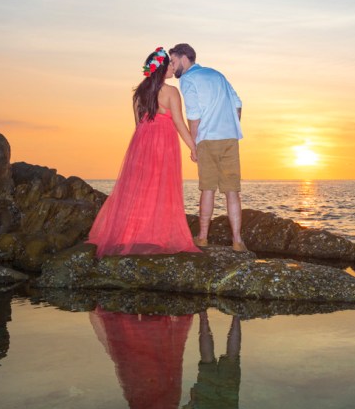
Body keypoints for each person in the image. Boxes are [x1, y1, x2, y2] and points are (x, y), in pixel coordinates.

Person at [87, 47, 201, 257]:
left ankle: (130, 233)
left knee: (138, 187)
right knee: (161, 188)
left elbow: (138, 123)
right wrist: (193, 147)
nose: (172, 67)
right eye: (169, 64)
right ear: (161, 69)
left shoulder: (139, 93)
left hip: (141, 144)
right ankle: (155, 235)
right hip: (163, 144)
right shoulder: (171, 92)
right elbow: (179, 123)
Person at [168, 43, 248, 252]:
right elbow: (238, 103)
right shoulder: (217, 74)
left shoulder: (188, 79)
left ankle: (202, 237)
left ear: (184, 58)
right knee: (232, 191)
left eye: (173, 61)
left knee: (208, 189)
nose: (172, 66)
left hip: (208, 139)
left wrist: (194, 145)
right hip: (230, 137)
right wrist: (230, 125)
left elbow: (194, 116)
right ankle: (237, 241)